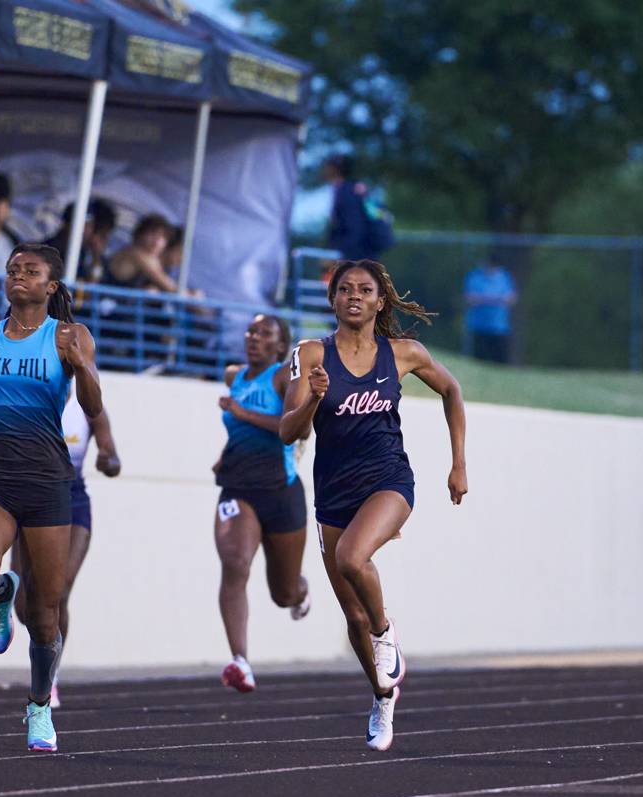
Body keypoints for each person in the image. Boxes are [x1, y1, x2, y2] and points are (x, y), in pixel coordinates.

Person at [279, 259, 467, 751]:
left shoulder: (403, 353)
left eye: (365, 290)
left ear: (380, 301)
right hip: (334, 494)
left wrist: (458, 463)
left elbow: (451, 389)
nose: (354, 296)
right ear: (333, 300)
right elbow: (287, 431)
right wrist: (312, 400)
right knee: (353, 617)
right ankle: (383, 698)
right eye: (345, 289)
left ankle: (387, 635)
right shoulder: (311, 354)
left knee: (353, 559)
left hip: (389, 481)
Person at [0, 243, 103, 752]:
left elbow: (93, 405)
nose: (18, 275)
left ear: (50, 286)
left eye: (30, 271)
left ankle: (39, 707)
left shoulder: (68, 337)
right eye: (12, 269)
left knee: (46, 613)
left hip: (47, 482)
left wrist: (84, 367)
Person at [213, 313, 310, 693]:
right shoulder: (233, 376)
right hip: (238, 489)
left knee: (282, 593)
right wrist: (226, 454)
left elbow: (293, 429)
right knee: (235, 563)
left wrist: (242, 413)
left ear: (280, 346)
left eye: (265, 333)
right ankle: (240, 661)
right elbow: (239, 433)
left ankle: (301, 590)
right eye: (251, 331)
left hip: (281, 492)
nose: (254, 337)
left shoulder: (284, 376)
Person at [12, 388, 122, 708]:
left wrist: (107, 460)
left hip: (73, 501)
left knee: (58, 592)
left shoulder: (89, 407)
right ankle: (7, 591)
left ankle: (49, 679)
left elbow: (112, 459)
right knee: (25, 609)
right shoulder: (30, 395)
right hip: (31, 499)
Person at [323, 154, 391, 261]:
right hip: (362, 253)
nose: (324, 170)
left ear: (334, 169)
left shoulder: (346, 192)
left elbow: (353, 227)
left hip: (358, 256)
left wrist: (344, 256)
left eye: (327, 166)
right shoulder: (351, 189)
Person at [44, 197, 115, 283]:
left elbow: (91, 286)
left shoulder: (83, 254)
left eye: (90, 226)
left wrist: (96, 257)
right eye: (83, 225)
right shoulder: (47, 251)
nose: (87, 230)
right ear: (67, 225)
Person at [463, 254, 516, 364]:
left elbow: (510, 299)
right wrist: (496, 300)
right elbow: (470, 298)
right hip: (478, 325)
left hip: (499, 326)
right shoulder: (475, 276)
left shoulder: (504, 277)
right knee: (478, 360)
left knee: (500, 360)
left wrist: (484, 299)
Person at [107, 213, 180, 292]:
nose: (157, 240)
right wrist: (190, 295)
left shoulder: (149, 258)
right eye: (153, 233)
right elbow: (171, 288)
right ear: (140, 235)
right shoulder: (137, 254)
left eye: (163, 236)